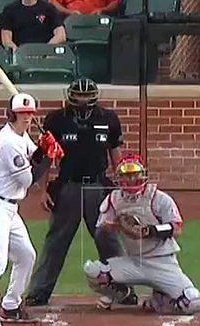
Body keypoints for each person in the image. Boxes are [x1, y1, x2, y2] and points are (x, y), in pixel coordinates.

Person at [24, 79, 125, 307]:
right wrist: (43, 190)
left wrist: (121, 188)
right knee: (56, 242)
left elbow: (115, 154)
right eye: (77, 96)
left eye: (85, 96)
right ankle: (39, 291)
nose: (81, 100)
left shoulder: (108, 119)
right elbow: (48, 157)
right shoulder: (56, 119)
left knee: (107, 239)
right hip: (67, 186)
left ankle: (122, 288)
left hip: (98, 187)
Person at [0, 93, 64, 322]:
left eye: (29, 113)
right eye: (22, 114)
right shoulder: (8, 142)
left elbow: (33, 155)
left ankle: (11, 305)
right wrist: (49, 157)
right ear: (11, 114)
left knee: (26, 255)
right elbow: (27, 180)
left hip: (9, 208)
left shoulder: (20, 136)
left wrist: (44, 148)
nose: (27, 118)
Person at [84, 155, 200, 316]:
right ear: (119, 178)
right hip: (134, 261)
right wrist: (119, 226)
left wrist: (149, 231)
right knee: (93, 271)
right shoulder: (114, 199)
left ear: (143, 175)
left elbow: (177, 228)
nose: (131, 179)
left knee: (193, 301)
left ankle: (160, 300)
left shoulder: (159, 198)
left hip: (162, 262)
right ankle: (120, 293)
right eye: (126, 176)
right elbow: (102, 227)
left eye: (135, 174)